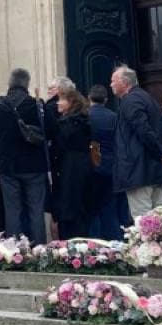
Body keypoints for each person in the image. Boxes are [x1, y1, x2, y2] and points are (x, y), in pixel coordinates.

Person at [0, 69, 49, 242]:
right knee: (36, 211)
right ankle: (39, 249)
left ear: (9, 83)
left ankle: (14, 251)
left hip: (8, 166)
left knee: (12, 211)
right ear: (27, 84)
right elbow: (51, 132)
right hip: (34, 166)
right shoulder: (37, 105)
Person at [109, 66, 162, 218]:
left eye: (113, 81)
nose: (110, 84)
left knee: (144, 221)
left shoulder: (130, 100)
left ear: (124, 82)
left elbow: (143, 130)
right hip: (152, 170)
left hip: (139, 170)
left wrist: (161, 153)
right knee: (159, 219)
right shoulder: (146, 97)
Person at [51, 85, 98, 237]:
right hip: (84, 167)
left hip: (69, 170)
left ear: (71, 102)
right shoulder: (85, 120)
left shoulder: (67, 124)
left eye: (61, 100)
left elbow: (58, 147)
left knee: (70, 210)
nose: (57, 103)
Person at [86, 85, 122, 241]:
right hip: (111, 166)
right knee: (109, 207)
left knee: (92, 209)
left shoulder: (85, 116)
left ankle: (94, 242)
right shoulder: (114, 116)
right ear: (106, 100)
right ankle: (113, 242)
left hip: (91, 166)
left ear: (89, 98)